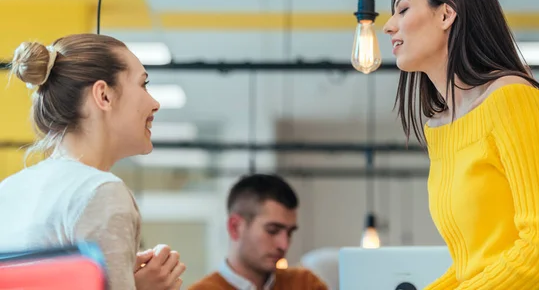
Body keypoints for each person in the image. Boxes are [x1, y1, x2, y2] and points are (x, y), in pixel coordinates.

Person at [382, 0, 539, 289]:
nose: (388, 25)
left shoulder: (514, 100)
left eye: (403, 9)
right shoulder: (443, 126)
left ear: (446, 14)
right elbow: (474, 265)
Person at [0, 34, 186, 289]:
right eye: (143, 85)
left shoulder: (9, 189)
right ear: (104, 95)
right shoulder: (100, 191)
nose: (154, 103)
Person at [188, 173, 328, 290]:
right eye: (272, 231)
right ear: (235, 227)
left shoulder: (306, 285)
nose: (284, 245)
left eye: (290, 232)